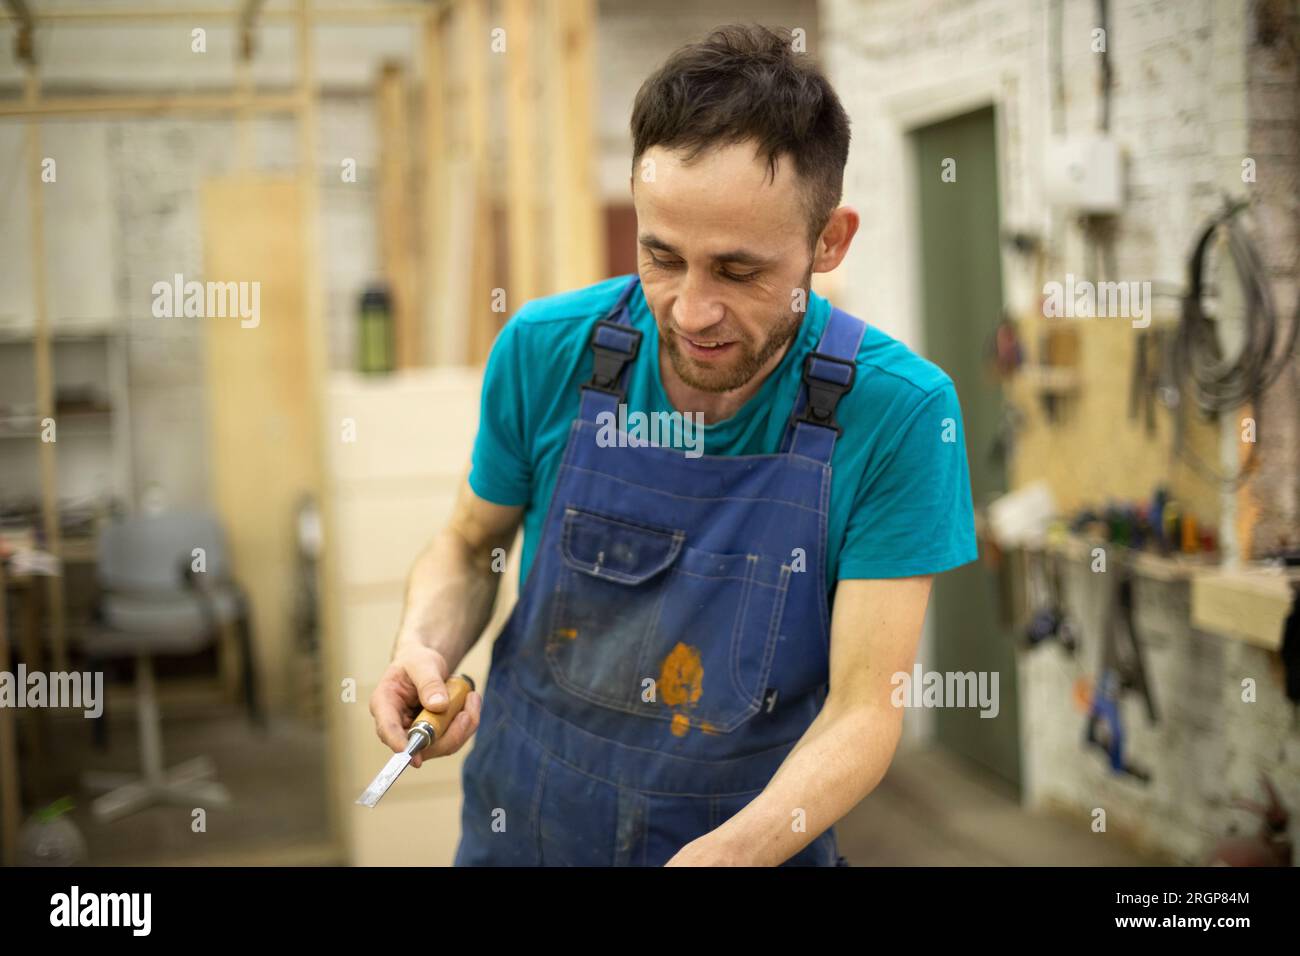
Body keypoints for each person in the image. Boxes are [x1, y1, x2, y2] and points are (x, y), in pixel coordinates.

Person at [369, 23, 978, 866]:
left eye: (738, 271)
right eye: (661, 257)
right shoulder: (549, 351)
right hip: (525, 827)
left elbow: (864, 710)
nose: (691, 310)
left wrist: (730, 855)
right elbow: (472, 546)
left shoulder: (899, 414)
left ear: (829, 241)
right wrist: (424, 651)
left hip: (751, 841)